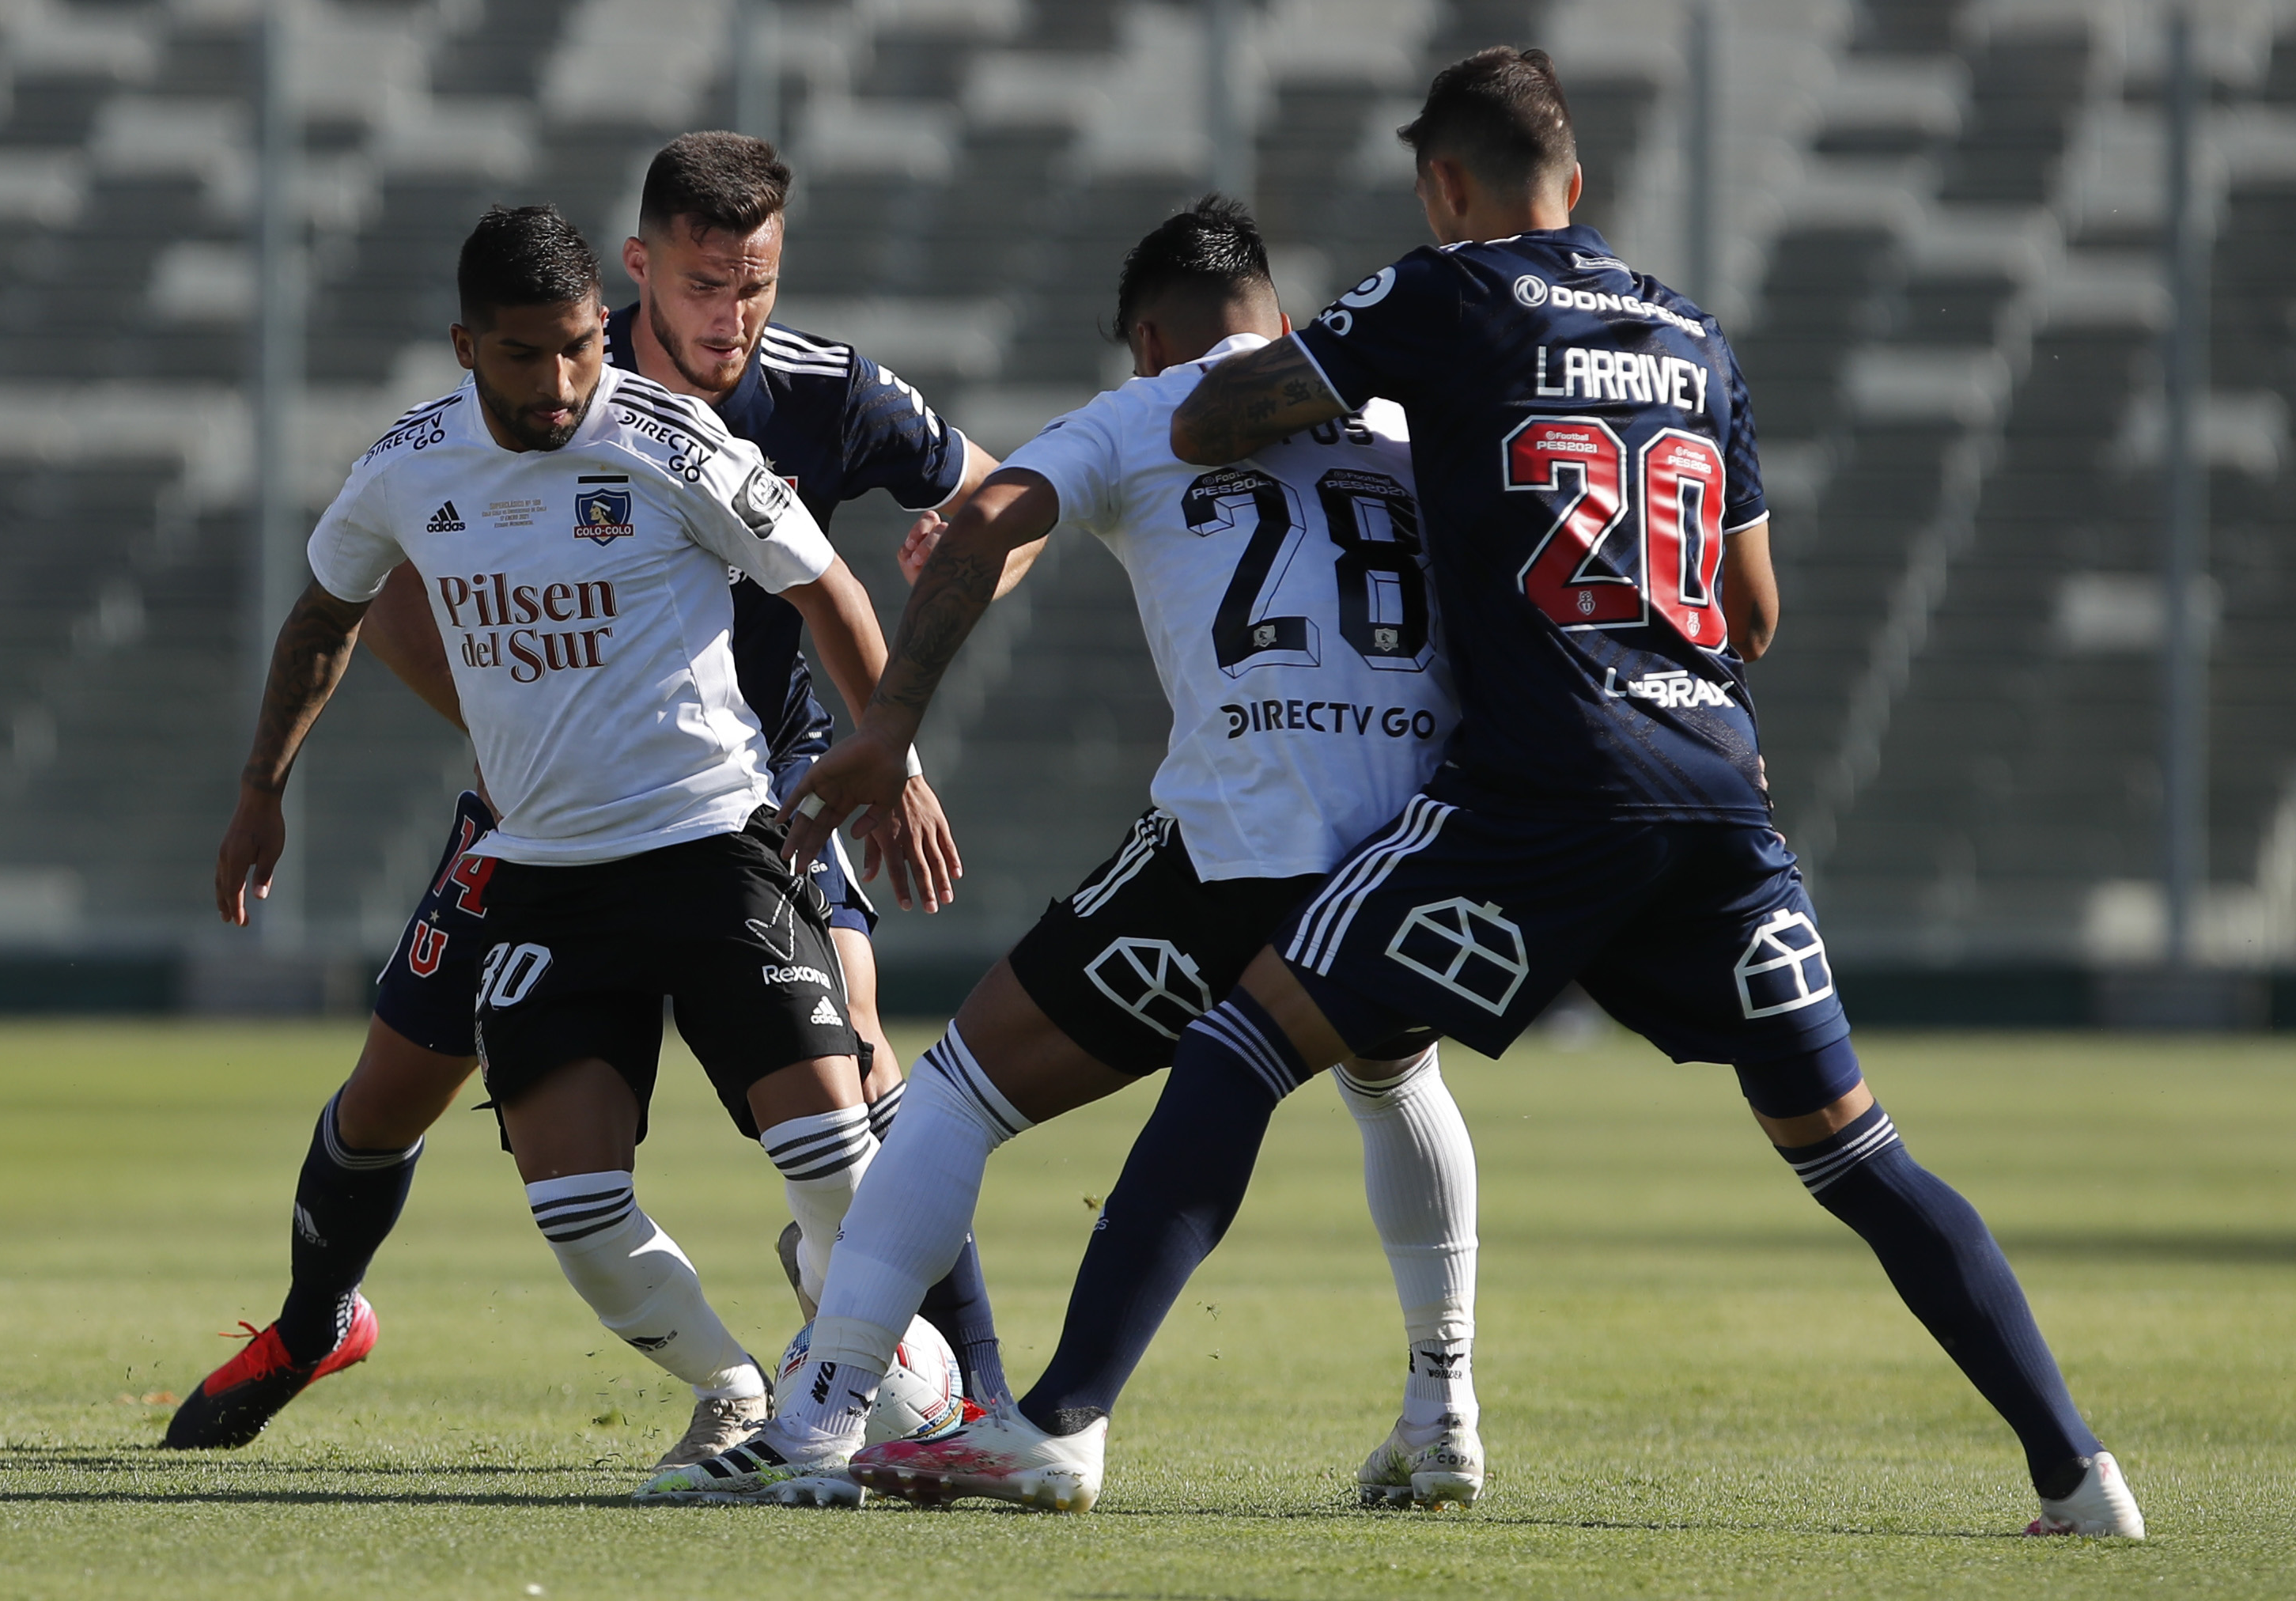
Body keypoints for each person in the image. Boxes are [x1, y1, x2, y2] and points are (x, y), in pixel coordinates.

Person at [831, 49, 2147, 1540]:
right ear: (1578, 183)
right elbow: (1755, 608)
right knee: (1852, 1147)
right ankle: (2077, 1472)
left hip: (1545, 785)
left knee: (1241, 1043)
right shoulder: (1699, 340)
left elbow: (1208, 422)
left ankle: (1054, 1423)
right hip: (1717, 785)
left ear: (1444, 187)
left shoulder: (1445, 295)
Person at [164, 134, 1016, 1463]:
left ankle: (947, 1399)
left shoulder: (718, 424)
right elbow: (339, 606)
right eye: (697, 286)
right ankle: (371, 1325)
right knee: (459, 1134)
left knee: (850, 1103)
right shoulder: (421, 458)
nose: (564, 381)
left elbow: (866, 567)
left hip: (734, 814)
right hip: (540, 847)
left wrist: (892, 744)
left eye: (756, 286)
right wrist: (282, 783)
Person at [645, 198, 1483, 1510]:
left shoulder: (1144, 410)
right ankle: (1444, 1406)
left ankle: (819, 1422)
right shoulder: (1401, 422)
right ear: (1272, 312)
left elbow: (990, 517)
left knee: (962, 1090)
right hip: (1410, 846)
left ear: (1148, 337)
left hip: (1239, 840)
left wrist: (894, 722)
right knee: (1392, 1073)